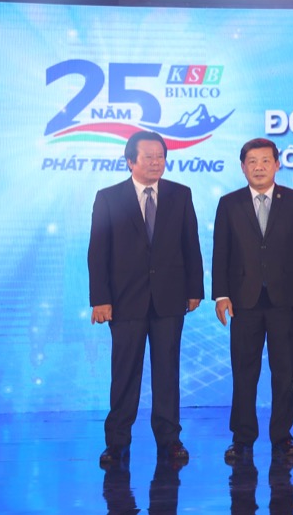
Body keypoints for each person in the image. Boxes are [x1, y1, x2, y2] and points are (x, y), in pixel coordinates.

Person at [89, 130, 204, 467]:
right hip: (124, 300)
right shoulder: (109, 198)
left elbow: (191, 244)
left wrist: (195, 289)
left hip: (170, 299)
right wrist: (100, 299)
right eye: (149, 157)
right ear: (131, 161)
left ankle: (170, 440)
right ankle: (116, 443)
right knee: (124, 374)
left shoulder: (180, 194)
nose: (156, 162)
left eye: (161, 157)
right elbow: (98, 252)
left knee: (167, 373)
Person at [212, 138, 293, 465]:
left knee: (283, 371)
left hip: (284, 299)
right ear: (243, 167)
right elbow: (220, 252)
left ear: (277, 165)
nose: (259, 167)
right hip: (244, 300)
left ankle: (282, 436)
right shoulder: (229, 203)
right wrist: (221, 294)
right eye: (252, 162)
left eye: (265, 161)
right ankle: (242, 438)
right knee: (244, 371)